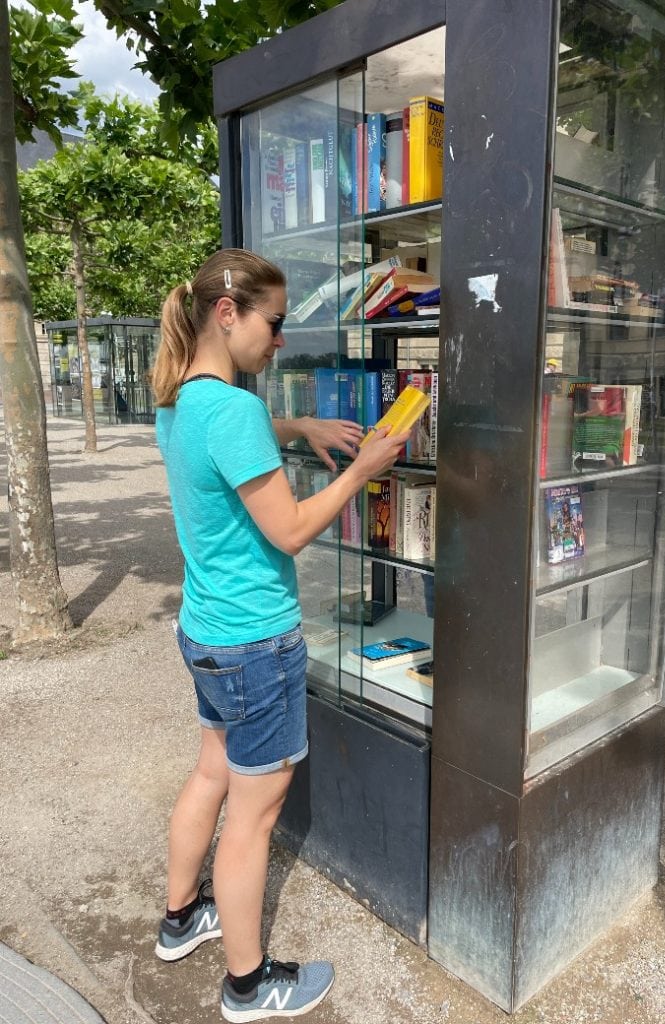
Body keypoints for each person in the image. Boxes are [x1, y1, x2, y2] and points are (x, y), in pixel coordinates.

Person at [150, 248, 408, 1021]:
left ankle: (179, 918)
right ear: (228, 315)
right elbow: (290, 529)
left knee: (210, 775)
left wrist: (296, 425)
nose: (282, 339)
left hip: (205, 632)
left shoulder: (178, 398)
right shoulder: (231, 411)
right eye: (275, 321)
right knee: (255, 815)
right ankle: (247, 984)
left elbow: (228, 442)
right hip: (255, 644)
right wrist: (362, 470)